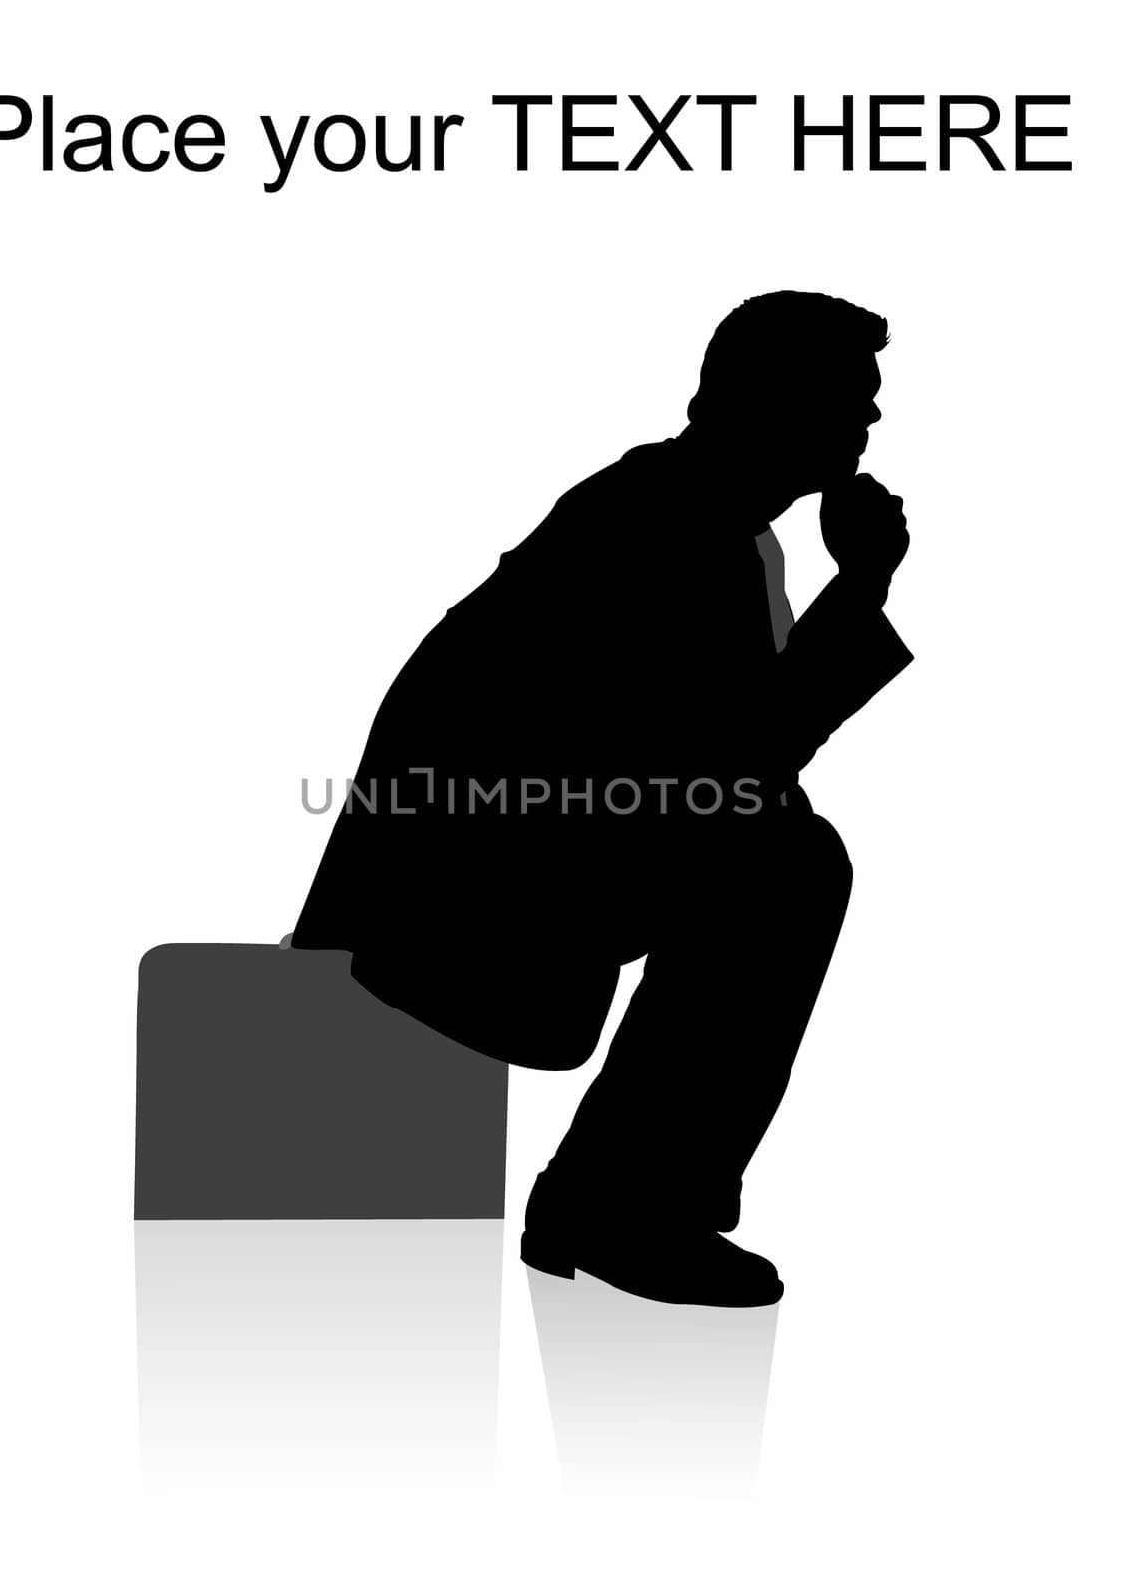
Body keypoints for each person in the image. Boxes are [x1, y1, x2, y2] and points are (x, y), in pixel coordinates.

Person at [292, 290, 913, 1306]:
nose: (872, 419)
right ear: (777, 398)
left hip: (535, 845)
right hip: (472, 880)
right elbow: (738, 767)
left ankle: (617, 1195)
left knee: (782, 853)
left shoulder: (716, 522)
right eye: (852, 395)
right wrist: (862, 589)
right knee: (784, 865)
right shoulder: (671, 520)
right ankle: (621, 1204)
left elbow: (730, 767)